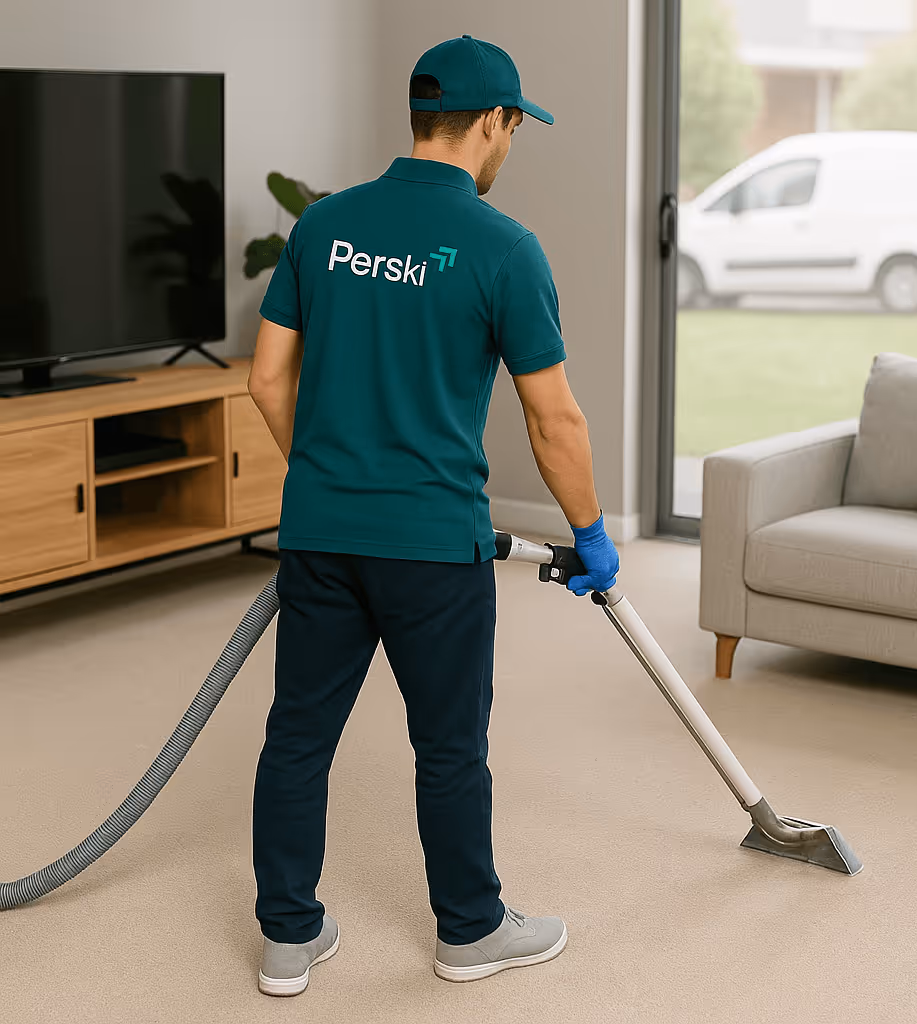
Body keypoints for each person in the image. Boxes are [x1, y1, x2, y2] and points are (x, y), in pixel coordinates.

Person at [247, 34, 619, 997]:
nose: (511, 147)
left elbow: (267, 379)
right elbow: (554, 418)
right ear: (492, 121)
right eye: (515, 128)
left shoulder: (324, 225)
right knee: (449, 747)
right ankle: (470, 931)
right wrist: (589, 533)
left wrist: (328, 478)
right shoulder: (504, 247)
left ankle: (287, 940)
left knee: (298, 735)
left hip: (320, 533)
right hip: (433, 547)